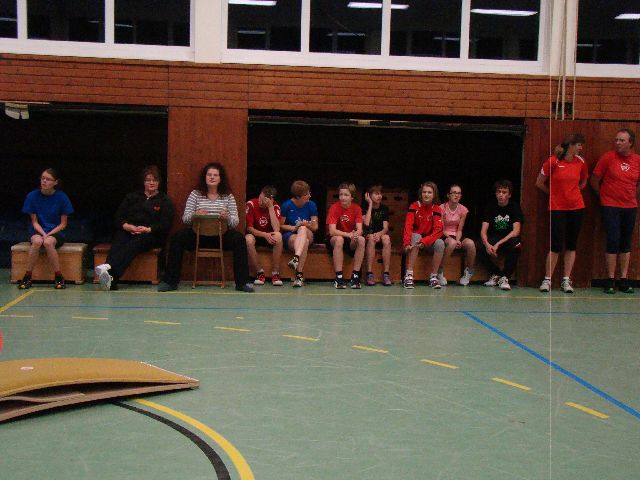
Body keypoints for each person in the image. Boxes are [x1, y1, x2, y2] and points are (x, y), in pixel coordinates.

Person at [157, 162, 253, 292]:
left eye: (215, 175)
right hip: (198, 236)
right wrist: (195, 215)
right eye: (209, 174)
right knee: (177, 238)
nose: (212, 177)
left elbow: (235, 222)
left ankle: (242, 283)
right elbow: (185, 218)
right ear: (205, 177)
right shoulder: (195, 194)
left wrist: (227, 218)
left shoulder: (228, 196)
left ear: (220, 178)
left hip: (221, 237)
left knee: (239, 239)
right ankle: (170, 281)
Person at [95, 165, 174, 291]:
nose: (151, 183)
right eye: (148, 180)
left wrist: (148, 229)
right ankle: (111, 280)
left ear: (159, 182)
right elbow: (118, 217)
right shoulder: (132, 197)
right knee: (119, 239)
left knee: (134, 244)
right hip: (130, 230)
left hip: (151, 234)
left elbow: (165, 223)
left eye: (154, 180)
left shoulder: (165, 201)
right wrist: (126, 226)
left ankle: (108, 268)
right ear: (143, 182)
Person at [536, 133, 588, 294]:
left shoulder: (581, 162)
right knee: (556, 245)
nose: (581, 148)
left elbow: (584, 181)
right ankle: (547, 280)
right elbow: (539, 183)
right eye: (579, 145)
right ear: (571, 145)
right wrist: (554, 195)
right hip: (557, 208)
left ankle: (566, 280)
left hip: (577, 208)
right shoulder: (553, 161)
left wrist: (574, 192)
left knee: (571, 245)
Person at [590, 128, 640, 294]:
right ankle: (610, 279)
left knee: (626, 242)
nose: (618, 143)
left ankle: (624, 279)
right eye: (616, 140)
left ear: (630, 143)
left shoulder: (637, 160)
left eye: (622, 140)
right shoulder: (608, 157)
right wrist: (603, 197)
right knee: (612, 239)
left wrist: (632, 195)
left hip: (630, 206)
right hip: (610, 205)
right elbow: (594, 179)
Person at [19, 168, 74, 289]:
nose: (44, 181)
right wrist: (43, 234)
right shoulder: (32, 196)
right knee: (37, 242)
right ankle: (27, 276)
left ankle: (58, 276)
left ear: (55, 182)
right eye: (42, 178)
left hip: (56, 231)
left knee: (48, 243)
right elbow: (34, 222)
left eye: (48, 179)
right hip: (37, 230)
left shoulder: (62, 197)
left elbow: (63, 224)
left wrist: (48, 235)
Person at [477, 179, 523, 291]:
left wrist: (498, 244)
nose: (501, 195)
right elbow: (483, 231)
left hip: (508, 238)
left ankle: (505, 277)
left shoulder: (514, 207)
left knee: (516, 244)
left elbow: (516, 231)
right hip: (493, 237)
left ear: (509, 195)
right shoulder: (490, 206)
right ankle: (496, 274)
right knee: (478, 246)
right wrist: (487, 245)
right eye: (499, 192)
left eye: (504, 192)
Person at [402, 181, 445, 289]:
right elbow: (408, 226)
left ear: (434, 194)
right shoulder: (414, 206)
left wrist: (425, 241)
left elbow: (438, 231)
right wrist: (406, 243)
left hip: (428, 242)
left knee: (440, 243)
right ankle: (409, 276)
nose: (426, 194)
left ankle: (434, 277)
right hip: (415, 242)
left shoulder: (436, 209)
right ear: (421, 193)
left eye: (429, 192)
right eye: (424, 192)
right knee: (416, 236)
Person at [326, 183, 365, 289]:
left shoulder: (357, 209)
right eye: (341, 194)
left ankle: (355, 277)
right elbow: (332, 231)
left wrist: (355, 235)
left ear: (352, 197)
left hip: (349, 239)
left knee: (361, 240)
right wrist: (348, 235)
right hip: (335, 238)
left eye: (346, 195)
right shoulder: (334, 208)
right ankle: (339, 278)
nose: (342, 197)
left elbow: (360, 229)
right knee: (339, 239)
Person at [280, 180, 318, 287]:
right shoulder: (287, 205)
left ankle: (296, 257)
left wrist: (306, 225)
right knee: (304, 242)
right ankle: (299, 275)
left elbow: (315, 227)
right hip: (292, 235)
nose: (309, 196)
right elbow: (280, 225)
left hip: (308, 232)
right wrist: (294, 227)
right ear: (298, 197)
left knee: (303, 229)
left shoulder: (311, 205)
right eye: (306, 194)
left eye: (309, 193)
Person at [437, 184, 476, 286]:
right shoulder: (441, 208)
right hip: (444, 234)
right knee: (452, 243)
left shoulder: (463, 209)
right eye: (454, 193)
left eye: (459, 193)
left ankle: (468, 272)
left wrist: (458, 240)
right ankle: (439, 271)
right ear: (448, 195)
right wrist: (452, 239)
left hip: (456, 234)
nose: (456, 195)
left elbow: (459, 229)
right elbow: (440, 228)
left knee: (470, 244)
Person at [245, 185, 283, 286]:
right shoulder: (251, 204)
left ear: (271, 200)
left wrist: (270, 207)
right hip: (257, 235)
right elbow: (249, 228)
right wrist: (264, 235)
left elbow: (276, 229)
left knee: (278, 236)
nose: (260, 202)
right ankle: (259, 272)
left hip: (270, 237)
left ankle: (275, 273)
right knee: (248, 239)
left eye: (264, 201)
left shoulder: (275, 206)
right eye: (260, 198)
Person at [362, 185, 392, 286]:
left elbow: (385, 228)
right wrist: (370, 205)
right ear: (369, 196)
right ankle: (369, 274)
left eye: (380, 194)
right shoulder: (364, 207)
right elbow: (366, 224)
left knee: (386, 238)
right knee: (371, 238)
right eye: (376, 194)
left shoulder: (384, 208)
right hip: (368, 235)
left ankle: (386, 274)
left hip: (380, 234)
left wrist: (379, 234)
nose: (379, 196)